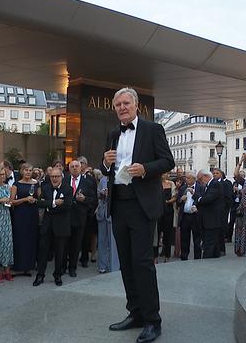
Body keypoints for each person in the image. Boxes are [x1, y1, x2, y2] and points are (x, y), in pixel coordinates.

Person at [101, 87, 174, 343]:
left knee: (142, 263)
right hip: (119, 204)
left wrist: (145, 169)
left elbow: (168, 161)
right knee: (126, 263)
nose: (121, 107)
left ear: (136, 105)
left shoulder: (153, 130)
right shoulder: (112, 134)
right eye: (117, 104)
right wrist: (105, 164)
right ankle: (135, 313)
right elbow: (107, 170)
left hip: (143, 206)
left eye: (125, 103)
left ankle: (153, 320)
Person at [33, 167, 71, 286]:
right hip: (47, 225)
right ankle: (40, 275)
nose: (54, 179)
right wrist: (54, 203)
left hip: (61, 226)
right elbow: (39, 203)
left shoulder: (68, 189)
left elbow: (67, 205)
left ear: (61, 177)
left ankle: (58, 275)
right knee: (42, 252)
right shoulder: (45, 188)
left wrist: (49, 206)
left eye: (57, 176)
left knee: (59, 253)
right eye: (52, 176)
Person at [64, 160, 96, 277]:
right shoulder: (64, 180)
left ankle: (72, 268)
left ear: (81, 167)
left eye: (77, 166)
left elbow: (93, 199)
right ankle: (63, 266)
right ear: (69, 168)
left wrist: (84, 199)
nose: (75, 168)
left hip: (80, 217)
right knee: (64, 244)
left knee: (76, 244)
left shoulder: (87, 182)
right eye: (72, 166)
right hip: (65, 217)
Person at [10, 163, 39, 276]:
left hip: (32, 214)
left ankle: (29, 265)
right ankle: (18, 265)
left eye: (30, 170)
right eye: (26, 170)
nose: (28, 172)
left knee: (31, 238)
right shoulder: (16, 184)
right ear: (21, 171)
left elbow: (39, 199)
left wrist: (34, 200)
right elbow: (12, 201)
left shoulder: (36, 184)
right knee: (20, 238)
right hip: (20, 214)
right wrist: (25, 199)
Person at [193, 169, 223, 259]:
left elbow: (208, 199)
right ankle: (214, 260)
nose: (200, 182)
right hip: (209, 220)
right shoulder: (209, 185)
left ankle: (206, 263)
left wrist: (198, 199)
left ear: (205, 176)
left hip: (212, 220)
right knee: (213, 244)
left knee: (209, 244)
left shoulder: (215, 184)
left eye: (199, 179)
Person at [94, 169, 117, 273]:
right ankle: (102, 266)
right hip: (102, 213)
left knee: (112, 242)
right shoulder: (102, 180)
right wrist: (101, 194)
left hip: (112, 213)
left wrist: (111, 194)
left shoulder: (117, 179)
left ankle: (113, 266)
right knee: (102, 241)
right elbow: (97, 195)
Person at [176, 171, 202, 260]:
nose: (186, 180)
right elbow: (177, 203)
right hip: (185, 216)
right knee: (184, 239)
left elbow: (202, 200)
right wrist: (180, 200)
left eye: (188, 178)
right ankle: (184, 257)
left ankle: (197, 258)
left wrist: (194, 193)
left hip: (195, 216)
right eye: (186, 178)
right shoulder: (183, 188)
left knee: (197, 239)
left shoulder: (200, 187)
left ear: (194, 179)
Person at [157, 173, 176, 263]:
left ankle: (167, 256)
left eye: (165, 173)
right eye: (162, 173)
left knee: (167, 234)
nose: (163, 175)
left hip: (168, 211)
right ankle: (155, 257)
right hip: (157, 211)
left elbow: (175, 196)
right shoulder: (155, 183)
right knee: (156, 234)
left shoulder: (171, 184)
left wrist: (167, 201)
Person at [213, 168, 232, 256]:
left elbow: (228, 197)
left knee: (220, 230)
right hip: (213, 210)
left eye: (217, 173)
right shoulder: (212, 183)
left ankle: (221, 249)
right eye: (214, 173)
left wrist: (224, 208)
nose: (215, 174)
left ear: (221, 174)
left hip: (222, 210)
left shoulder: (226, 184)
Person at [227, 170, 246, 242]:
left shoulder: (245, 183)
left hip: (241, 204)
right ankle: (229, 237)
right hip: (234, 204)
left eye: (241, 176)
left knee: (241, 222)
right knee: (231, 221)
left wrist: (239, 191)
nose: (239, 177)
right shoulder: (234, 183)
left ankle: (241, 238)